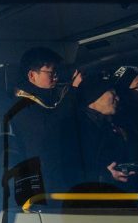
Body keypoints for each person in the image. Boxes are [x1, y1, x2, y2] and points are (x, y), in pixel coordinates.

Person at [6, 47, 83, 193]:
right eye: (51, 72)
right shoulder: (21, 104)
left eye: (56, 72)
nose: (56, 77)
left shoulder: (44, 99)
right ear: (32, 75)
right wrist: (72, 92)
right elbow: (47, 127)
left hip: (53, 175)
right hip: (39, 180)